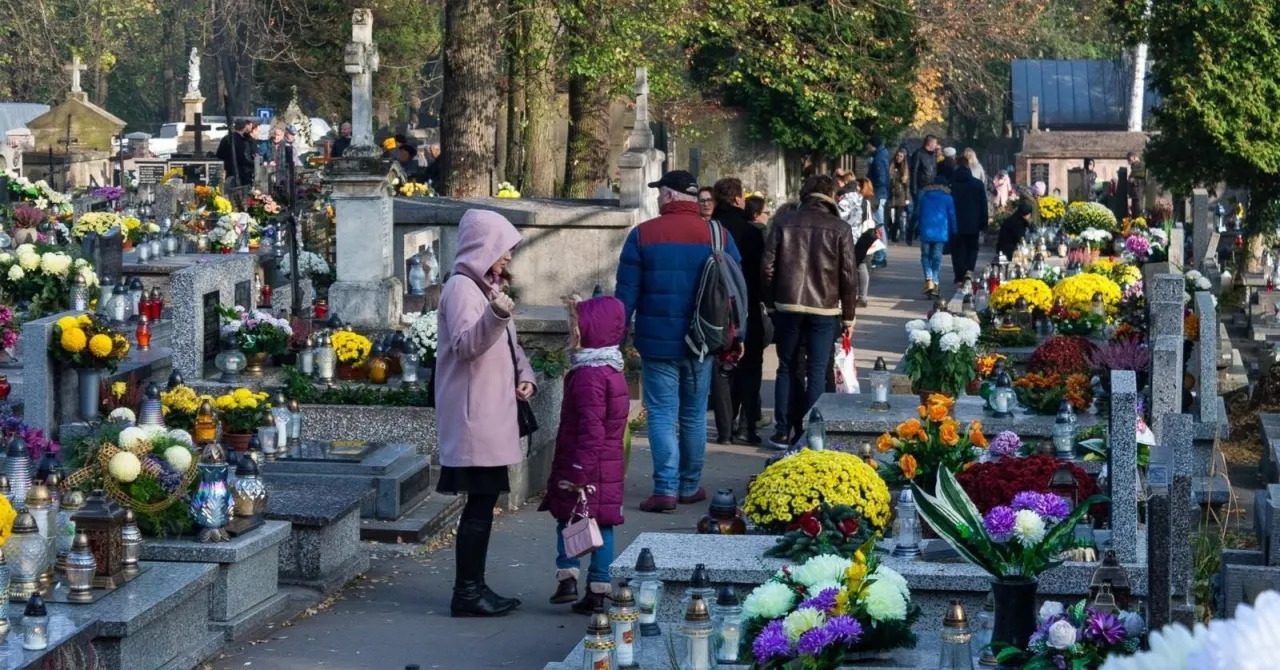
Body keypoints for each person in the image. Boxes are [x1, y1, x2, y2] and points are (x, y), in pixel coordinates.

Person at [615, 170, 742, 512]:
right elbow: (735, 290)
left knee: (660, 413)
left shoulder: (642, 235)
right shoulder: (718, 235)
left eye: (659, 193)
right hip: (704, 341)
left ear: (670, 196)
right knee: (694, 414)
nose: (656, 199)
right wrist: (735, 336)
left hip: (658, 344)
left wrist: (615, 337)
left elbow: (626, 295)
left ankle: (665, 489)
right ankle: (689, 485)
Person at [435, 209, 537, 618]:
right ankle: (467, 591)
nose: (508, 257)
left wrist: (526, 375)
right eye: (503, 248)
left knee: (484, 501)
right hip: (474, 415)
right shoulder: (462, 288)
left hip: (490, 410)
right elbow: (465, 346)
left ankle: (474, 586)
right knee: (479, 503)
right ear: (483, 247)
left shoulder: (484, 287)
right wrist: (497, 315)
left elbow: (511, 347)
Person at [542, 295, 629, 613]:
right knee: (601, 526)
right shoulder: (610, 370)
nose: (571, 334)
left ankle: (567, 576)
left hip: (584, 465)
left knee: (568, 519)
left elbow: (592, 431)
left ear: (591, 331)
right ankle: (597, 589)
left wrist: (577, 472)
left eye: (575, 328)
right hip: (606, 467)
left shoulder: (589, 377)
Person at [761, 175, 857, 449]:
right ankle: (810, 431)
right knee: (816, 369)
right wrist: (848, 315)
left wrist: (771, 303)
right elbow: (848, 276)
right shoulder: (839, 228)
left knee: (786, 367)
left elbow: (767, 269)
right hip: (824, 307)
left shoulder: (783, 223)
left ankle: (782, 430)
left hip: (788, 304)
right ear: (831, 196)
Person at [711, 178, 766, 445]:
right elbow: (760, 274)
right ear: (736, 199)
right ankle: (747, 426)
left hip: (715, 308)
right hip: (746, 306)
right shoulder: (751, 232)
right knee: (751, 366)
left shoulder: (709, 230)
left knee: (722, 367)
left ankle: (725, 427)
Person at [949, 164, 988, 286]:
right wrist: (984, 222)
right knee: (972, 248)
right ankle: (969, 270)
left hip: (956, 223)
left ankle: (959, 276)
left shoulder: (951, 185)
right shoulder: (977, 184)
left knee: (957, 250)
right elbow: (983, 205)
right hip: (973, 222)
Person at [916, 181, 956, 299]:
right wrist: (955, 230)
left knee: (925, 256)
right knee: (937, 257)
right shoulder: (948, 198)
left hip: (925, 231)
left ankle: (929, 280)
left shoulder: (924, 196)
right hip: (941, 232)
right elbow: (952, 215)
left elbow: (918, 213)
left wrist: (915, 228)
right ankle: (935, 282)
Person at [889, 147, 911, 244]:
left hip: (900, 195)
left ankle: (894, 236)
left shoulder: (905, 169)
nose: (898, 157)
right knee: (889, 217)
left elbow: (907, 185)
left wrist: (907, 197)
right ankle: (890, 232)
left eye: (901, 156)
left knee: (898, 218)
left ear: (903, 158)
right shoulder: (891, 166)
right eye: (897, 155)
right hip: (891, 195)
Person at [1126, 151, 1146, 217]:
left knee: (1138, 209)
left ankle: (1139, 223)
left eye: (1130, 160)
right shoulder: (1133, 166)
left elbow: (1143, 176)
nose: (1129, 162)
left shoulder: (1141, 165)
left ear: (1134, 157)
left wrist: (1133, 179)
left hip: (1139, 190)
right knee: (1134, 209)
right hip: (1134, 191)